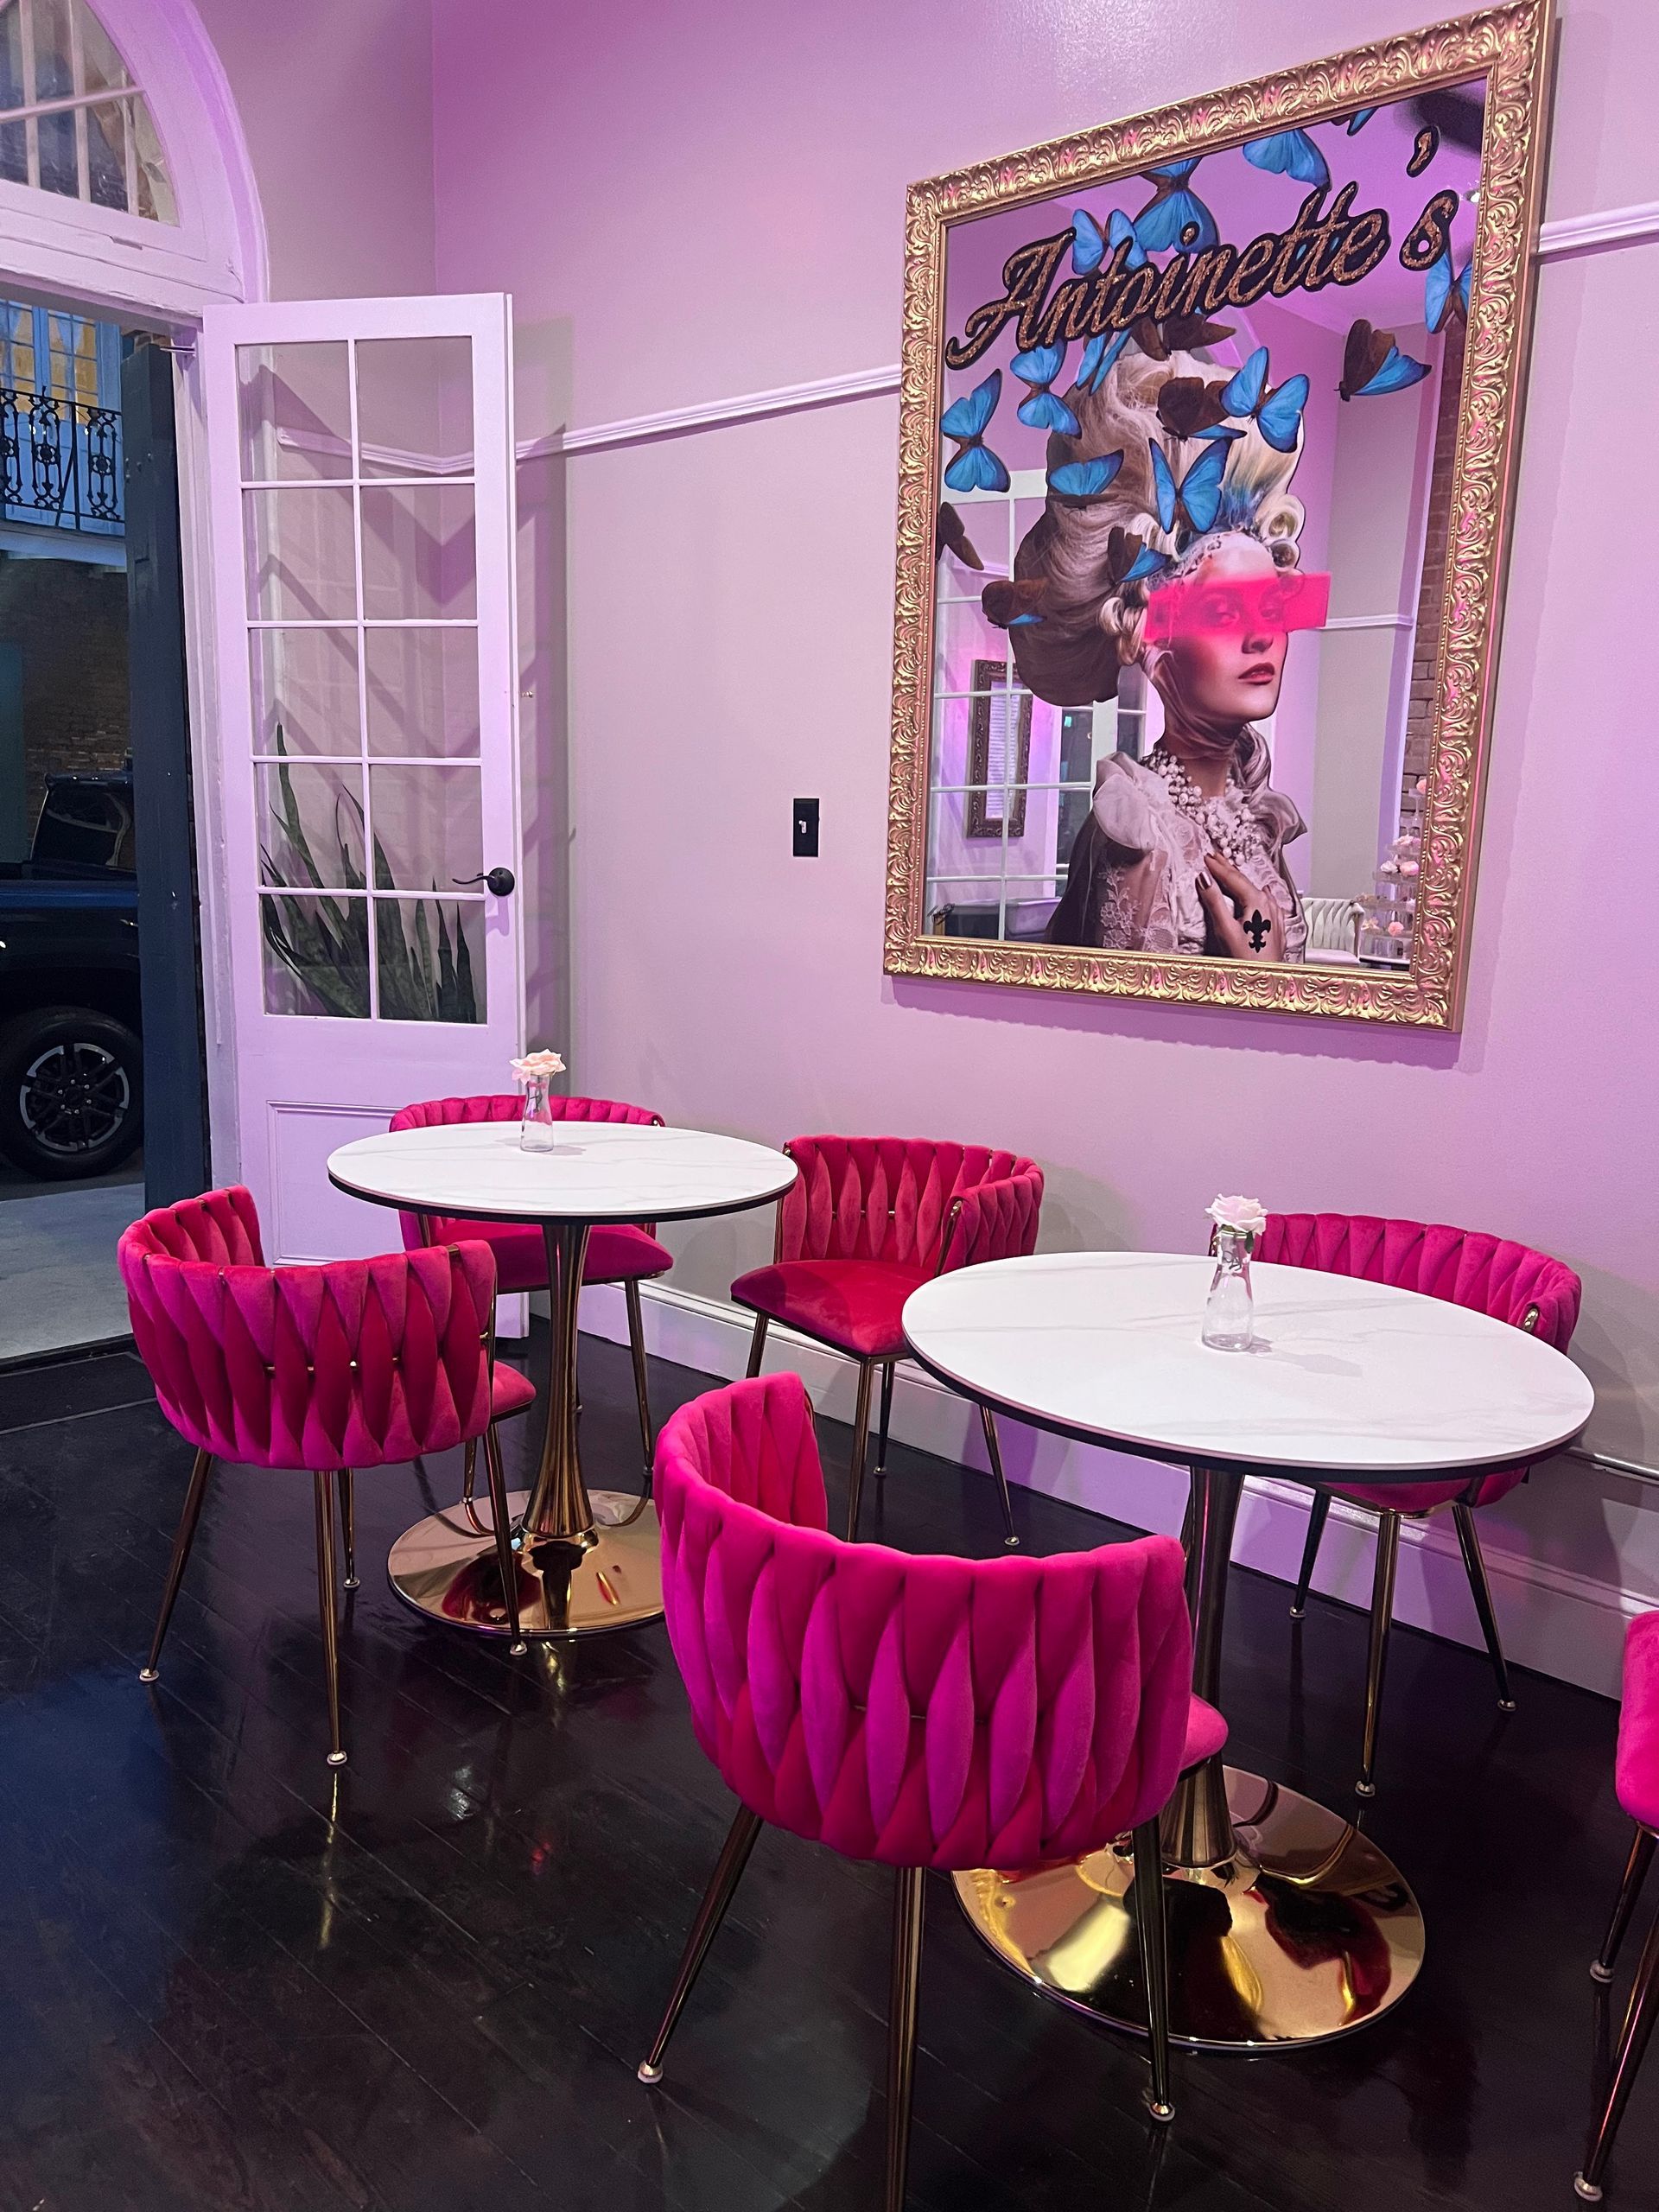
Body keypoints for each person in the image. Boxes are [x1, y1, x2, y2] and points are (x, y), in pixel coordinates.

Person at [995, 346, 1317, 958]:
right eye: (1224, 613)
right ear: (1152, 642)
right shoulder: (1138, 831)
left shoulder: (1252, 811)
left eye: (1270, 610)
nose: (1261, 637)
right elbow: (1131, 1043)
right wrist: (1260, 971)